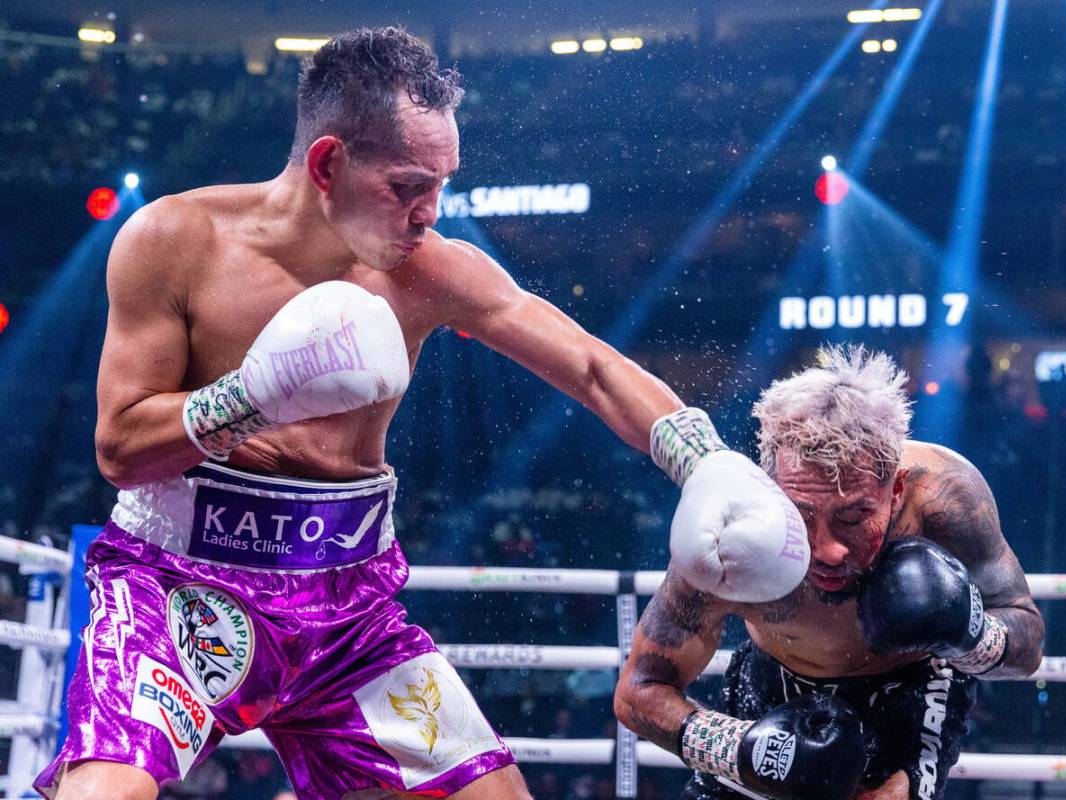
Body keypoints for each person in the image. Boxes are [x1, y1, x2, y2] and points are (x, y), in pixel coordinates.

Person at [35, 27, 811, 800]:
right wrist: (249, 397)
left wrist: (702, 459)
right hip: (176, 583)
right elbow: (119, 448)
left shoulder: (427, 270)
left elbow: (589, 365)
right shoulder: (176, 240)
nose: (428, 213)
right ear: (328, 163)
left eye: (442, 184)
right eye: (407, 186)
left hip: (345, 604)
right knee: (108, 793)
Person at [614, 345, 1045, 800]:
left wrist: (973, 635)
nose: (829, 550)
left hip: (912, 690)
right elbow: (637, 692)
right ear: (771, 486)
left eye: (854, 518)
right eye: (799, 516)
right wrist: (742, 749)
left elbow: (1028, 646)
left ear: (895, 488)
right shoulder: (730, 533)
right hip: (771, 684)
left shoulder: (944, 500)